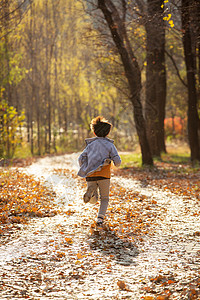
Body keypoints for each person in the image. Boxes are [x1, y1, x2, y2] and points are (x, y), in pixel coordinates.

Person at [77, 116, 121, 226]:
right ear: (107, 133)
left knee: (94, 199)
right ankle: (100, 219)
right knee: (104, 198)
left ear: (94, 132)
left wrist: (85, 167)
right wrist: (115, 164)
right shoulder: (110, 145)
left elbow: (80, 158)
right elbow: (118, 161)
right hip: (104, 175)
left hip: (90, 174)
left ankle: (91, 191)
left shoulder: (90, 145)